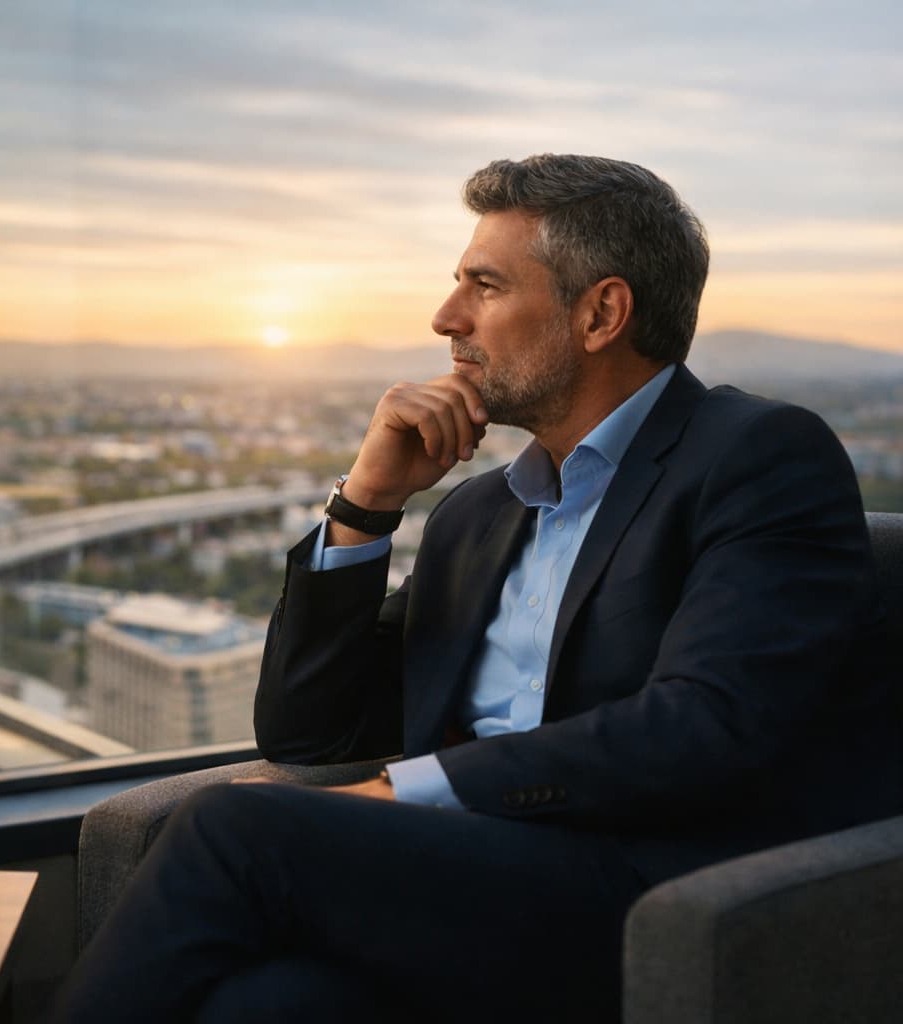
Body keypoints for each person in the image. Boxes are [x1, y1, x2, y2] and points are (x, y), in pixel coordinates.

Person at [50, 155, 903, 1023]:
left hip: (655, 894)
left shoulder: (757, 455)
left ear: (601, 312)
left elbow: (707, 726)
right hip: (467, 884)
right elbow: (309, 730)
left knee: (227, 828)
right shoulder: (478, 513)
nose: (445, 317)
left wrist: (400, 793)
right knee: (269, 1006)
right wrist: (366, 503)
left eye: (484, 286)